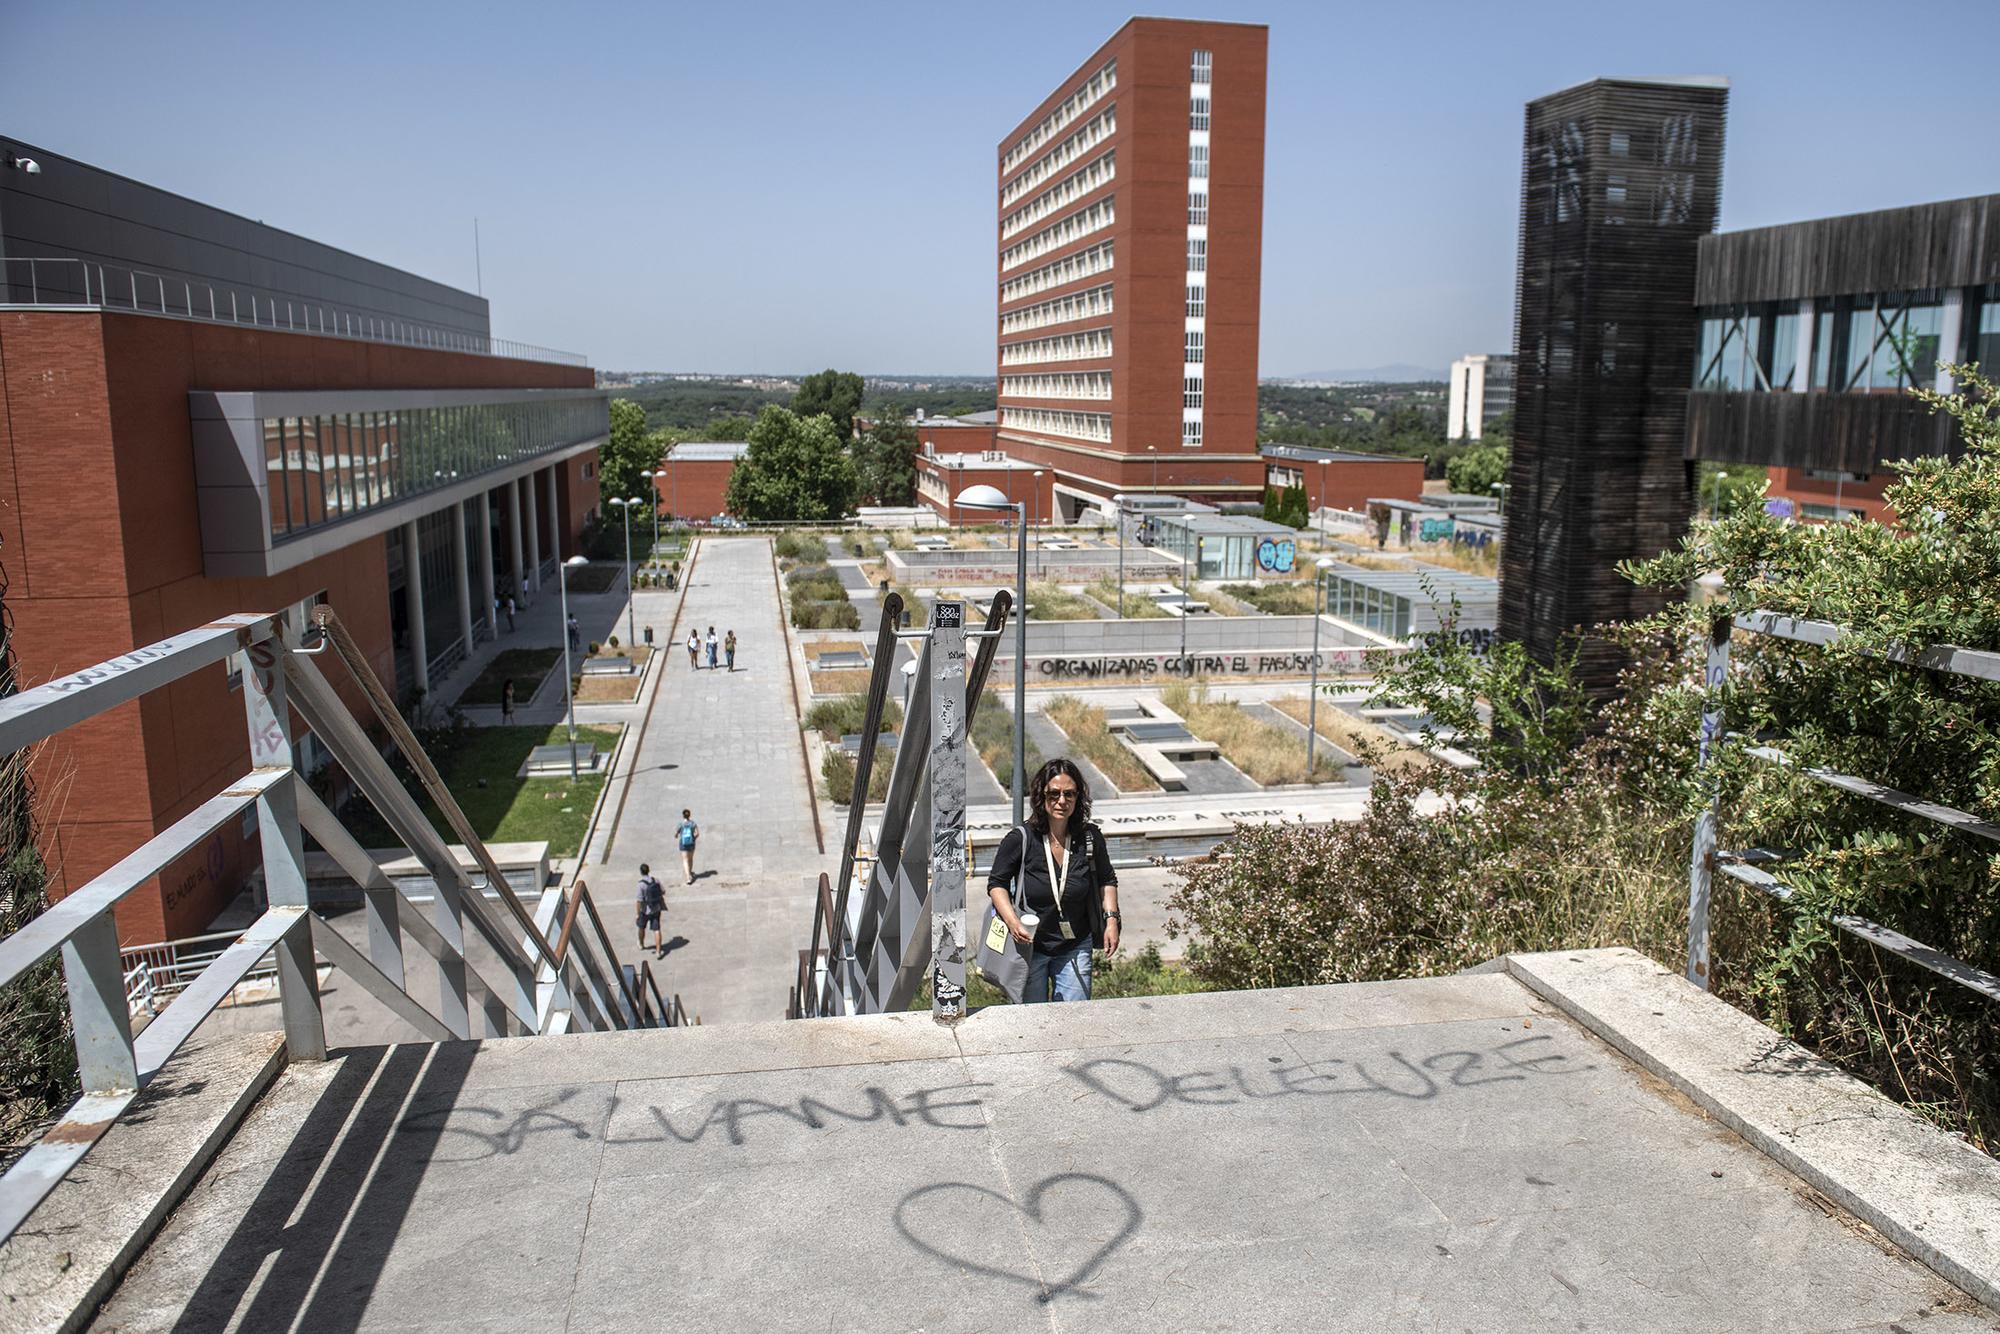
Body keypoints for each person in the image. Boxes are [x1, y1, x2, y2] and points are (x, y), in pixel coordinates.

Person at [985, 758, 1120, 1004]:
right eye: (1054, 794)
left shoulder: (1089, 837)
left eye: (1069, 794)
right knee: (1033, 1020)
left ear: (1078, 797)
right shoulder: (1021, 838)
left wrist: (1111, 920)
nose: (1062, 801)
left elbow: (1107, 879)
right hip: (1029, 947)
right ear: (1041, 795)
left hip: (1075, 944)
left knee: (1074, 1019)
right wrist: (1013, 922)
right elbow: (997, 884)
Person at [636, 862, 666, 956]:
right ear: (649, 870)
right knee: (656, 929)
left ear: (641, 872)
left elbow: (639, 901)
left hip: (645, 911)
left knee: (641, 927)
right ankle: (658, 951)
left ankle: (641, 944)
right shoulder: (655, 880)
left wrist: (637, 913)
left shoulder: (641, 885)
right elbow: (663, 891)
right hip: (656, 909)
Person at [675, 809, 699, 885]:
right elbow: (697, 833)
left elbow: (676, 834)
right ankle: (690, 873)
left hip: (683, 844)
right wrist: (693, 838)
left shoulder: (681, 824)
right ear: (689, 815)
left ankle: (688, 877)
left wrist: (677, 835)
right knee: (690, 859)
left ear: (683, 815)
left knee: (685, 860)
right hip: (691, 844)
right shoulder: (693, 823)